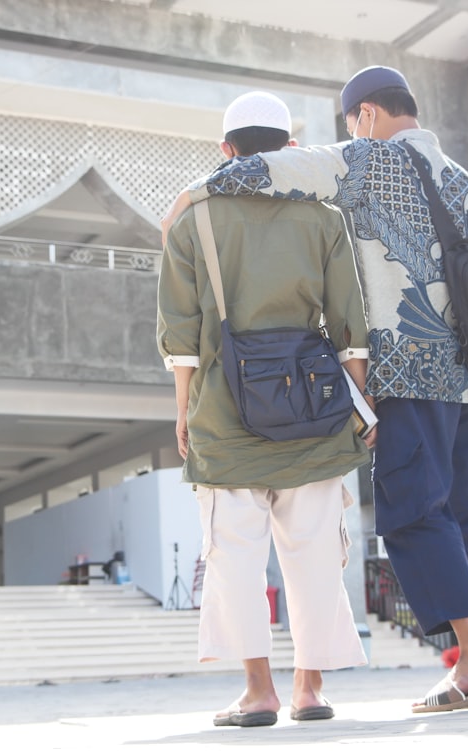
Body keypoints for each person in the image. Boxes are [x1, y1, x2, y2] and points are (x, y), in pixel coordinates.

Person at [160, 66, 468, 713]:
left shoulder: (363, 161)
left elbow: (262, 170)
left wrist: (190, 199)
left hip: (411, 375)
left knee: (414, 510)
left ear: (363, 117)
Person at [156, 91, 376, 727]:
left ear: (225, 151)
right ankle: (309, 690)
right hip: (314, 407)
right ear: (288, 150)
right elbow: (351, 327)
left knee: (235, 555)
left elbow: (179, 334)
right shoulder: (324, 218)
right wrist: (358, 408)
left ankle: (259, 693)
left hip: (224, 412)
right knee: (314, 553)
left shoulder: (193, 217)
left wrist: (182, 413)